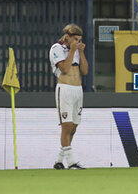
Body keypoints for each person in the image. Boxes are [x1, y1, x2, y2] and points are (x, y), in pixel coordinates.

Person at [49, 24, 88, 170]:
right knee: (66, 126)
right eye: (75, 39)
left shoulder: (77, 50)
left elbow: (84, 71)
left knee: (73, 127)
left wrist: (81, 52)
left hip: (77, 90)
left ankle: (59, 161)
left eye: (79, 39)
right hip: (64, 89)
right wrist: (72, 51)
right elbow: (64, 69)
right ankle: (71, 163)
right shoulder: (56, 48)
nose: (77, 42)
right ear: (67, 37)